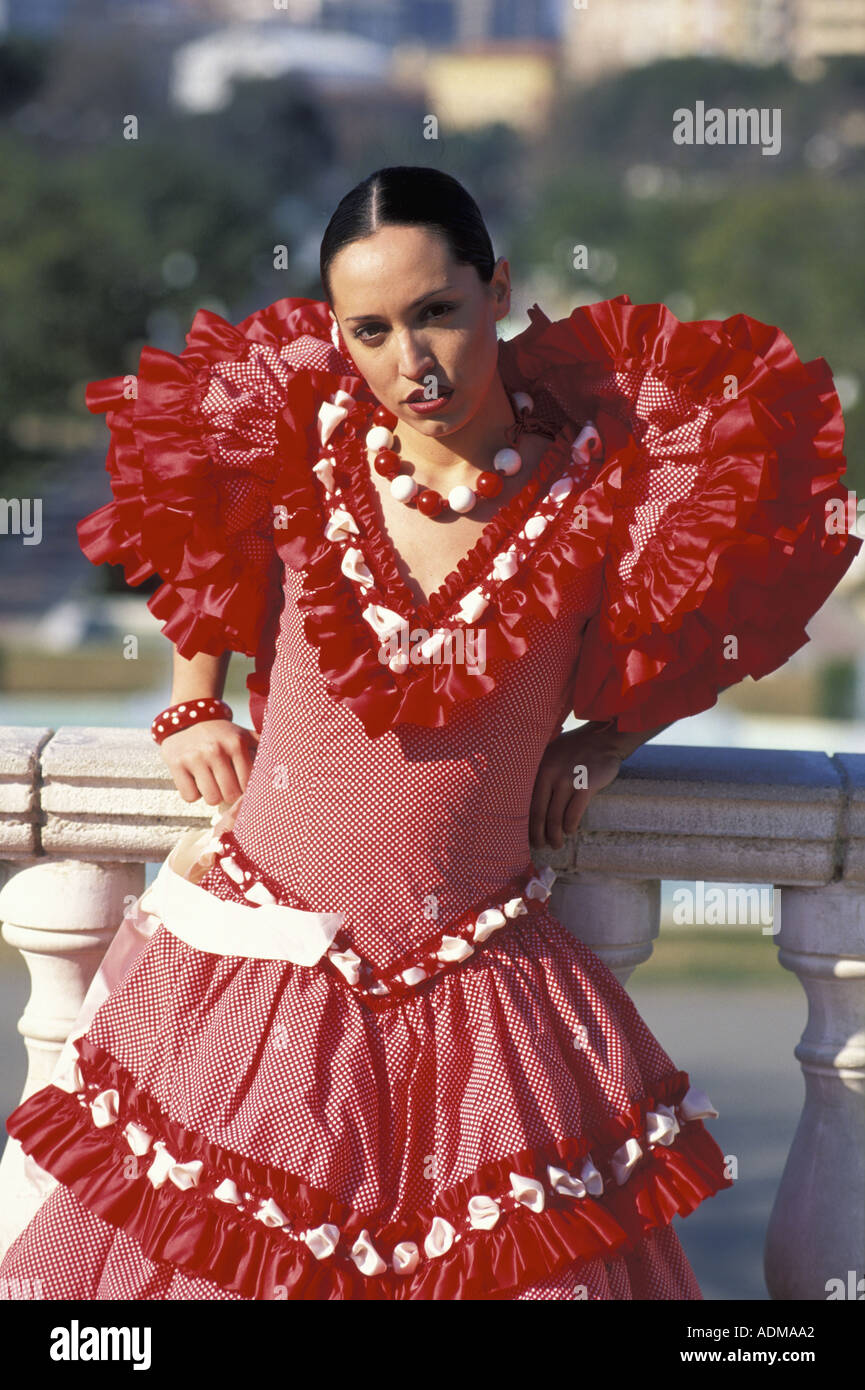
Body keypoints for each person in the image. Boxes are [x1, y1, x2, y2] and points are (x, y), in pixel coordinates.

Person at [0, 164, 858, 1301]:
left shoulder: (601, 489)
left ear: (497, 289)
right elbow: (195, 531)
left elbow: (728, 603)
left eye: (437, 311)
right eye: (370, 330)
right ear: (336, 337)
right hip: (260, 982)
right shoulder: (299, 449)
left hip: (478, 991)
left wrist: (609, 734)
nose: (411, 359)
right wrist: (192, 694)